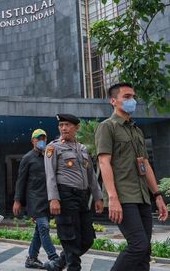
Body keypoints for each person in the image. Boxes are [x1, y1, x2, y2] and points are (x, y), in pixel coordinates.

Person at [95, 83, 169, 271]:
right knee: (138, 246)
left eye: (133, 96)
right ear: (113, 101)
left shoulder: (136, 130)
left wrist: (157, 195)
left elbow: (145, 164)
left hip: (142, 195)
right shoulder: (107, 127)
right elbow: (104, 163)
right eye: (127, 97)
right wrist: (112, 198)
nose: (132, 101)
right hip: (123, 196)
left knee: (145, 250)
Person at [44, 114, 104, 271]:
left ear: (76, 128)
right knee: (71, 239)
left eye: (67, 125)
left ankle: (58, 263)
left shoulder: (82, 149)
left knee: (88, 239)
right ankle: (72, 267)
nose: (63, 128)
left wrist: (98, 197)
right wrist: (53, 199)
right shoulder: (53, 147)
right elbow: (50, 175)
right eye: (61, 125)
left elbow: (91, 176)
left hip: (82, 197)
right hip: (65, 196)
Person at [13, 128, 60, 269]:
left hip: (47, 200)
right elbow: (20, 180)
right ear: (32, 140)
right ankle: (54, 257)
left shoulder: (48, 157)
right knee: (44, 228)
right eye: (38, 138)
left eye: (43, 138)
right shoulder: (27, 158)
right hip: (34, 201)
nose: (41, 141)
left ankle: (31, 258)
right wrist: (17, 200)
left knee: (39, 231)